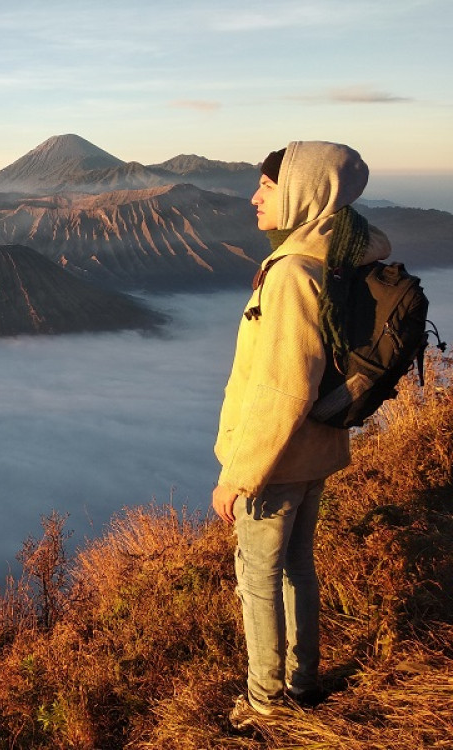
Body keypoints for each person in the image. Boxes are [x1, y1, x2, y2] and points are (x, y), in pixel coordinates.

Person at [211, 141, 392, 728]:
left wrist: (240, 475)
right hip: (319, 446)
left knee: (257, 576)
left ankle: (265, 702)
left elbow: (282, 389)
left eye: (267, 187)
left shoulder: (291, 272)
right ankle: (304, 680)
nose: (255, 198)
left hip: (278, 456)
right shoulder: (340, 252)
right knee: (298, 566)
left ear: (301, 193)